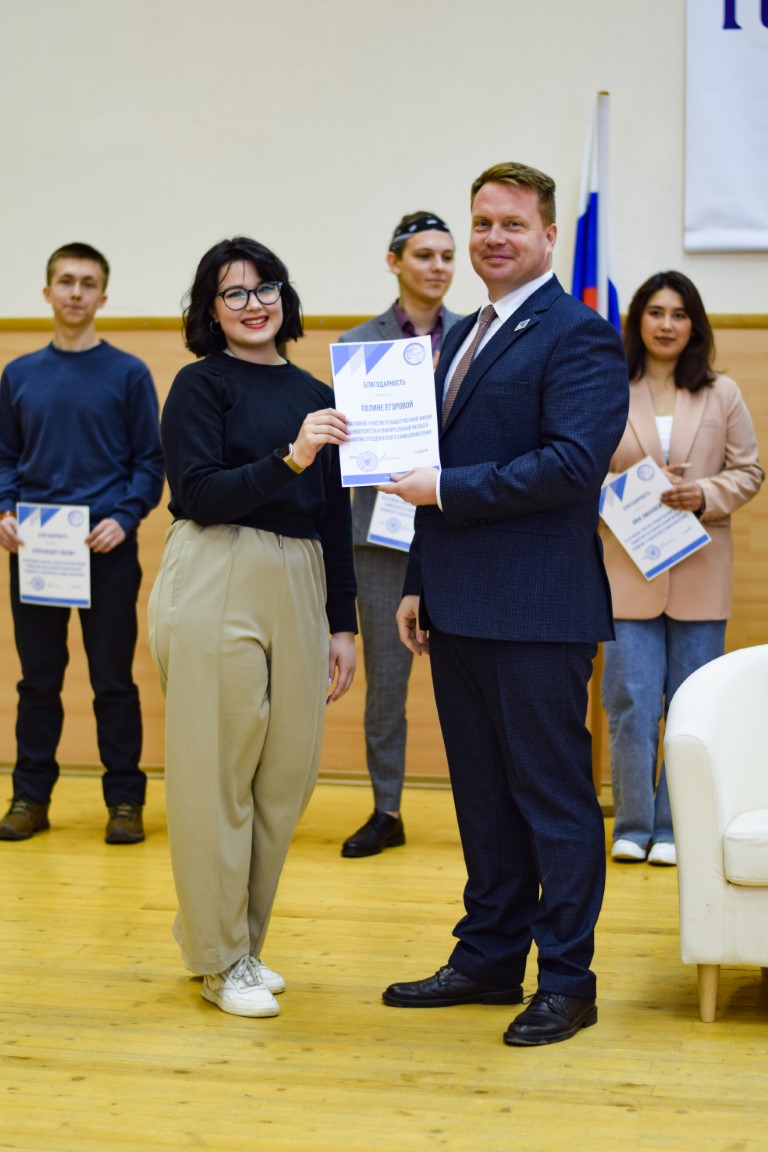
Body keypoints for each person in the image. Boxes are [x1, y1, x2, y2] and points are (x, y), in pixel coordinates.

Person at [375, 162, 628, 1047]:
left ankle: (567, 980)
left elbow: (570, 467)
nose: (492, 238)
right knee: (482, 800)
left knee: (553, 802)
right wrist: (418, 580)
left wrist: (444, 490)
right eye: (482, 222)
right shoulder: (460, 336)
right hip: (457, 605)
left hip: (538, 611)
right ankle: (487, 959)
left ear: (549, 236)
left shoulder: (580, 335)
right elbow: (429, 466)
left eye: (512, 224)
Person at [147, 237, 357, 1019]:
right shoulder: (199, 385)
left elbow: (335, 518)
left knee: (285, 776)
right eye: (233, 293)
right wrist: (291, 457)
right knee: (216, 774)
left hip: (300, 576)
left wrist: (343, 624)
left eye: (265, 286)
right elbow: (200, 492)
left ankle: (236, 939)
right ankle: (219, 956)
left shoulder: (316, 391)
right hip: (217, 567)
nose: (253, 303)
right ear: (210, 309)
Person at [0, 243, 164, 845]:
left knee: (113, 681)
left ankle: (124, 801)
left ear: (103, 296)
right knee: (37, 682)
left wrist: (125, 516)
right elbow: (5, 457)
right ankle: (29, 798)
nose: (75, 292)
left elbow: (150, 463)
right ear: (47, 292)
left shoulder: (129, 373)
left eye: (87, 283)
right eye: (66, 281)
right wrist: (4, 509)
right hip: (37, 549)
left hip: (106, 549)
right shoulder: (18, 375)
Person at [602, 271, 763, 867]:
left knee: (692, 707)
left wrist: (702, 494)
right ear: (638, 320)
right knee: (631, 703)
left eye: (678, 314)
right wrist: (632, 486)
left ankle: (675, 830)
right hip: (628, 570)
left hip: (700, 572)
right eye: (656, 312)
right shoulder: (608, 387)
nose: (666, 324)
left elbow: (749, 471)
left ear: (694, 324)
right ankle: (633, 824)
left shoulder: (723, 392)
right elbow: (577, 468)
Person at [338, 212, 461, 858]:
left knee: (476, 680)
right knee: (386, 685)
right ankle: (387, 808)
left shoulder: (476, 336)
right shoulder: (359, 345)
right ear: (394, 262)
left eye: (447, 256)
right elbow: (350, 448)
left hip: (460, 527)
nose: (438, 267)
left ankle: (491, 812)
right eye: (423, 255)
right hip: (382, 537)